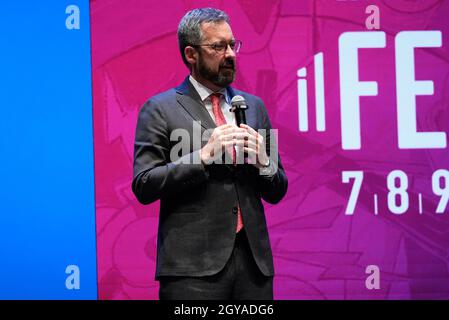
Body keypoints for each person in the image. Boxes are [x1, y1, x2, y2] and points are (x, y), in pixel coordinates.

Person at [132, 7, 288, 300]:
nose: (230, 54)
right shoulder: (160, 109)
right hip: (191, 271)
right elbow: (144, 184)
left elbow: (278, 188)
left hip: (254, 269)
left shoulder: (254, 107)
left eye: (232, 44)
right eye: (218, 46)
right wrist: (202, 157)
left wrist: (265, 163)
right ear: (191, 54)